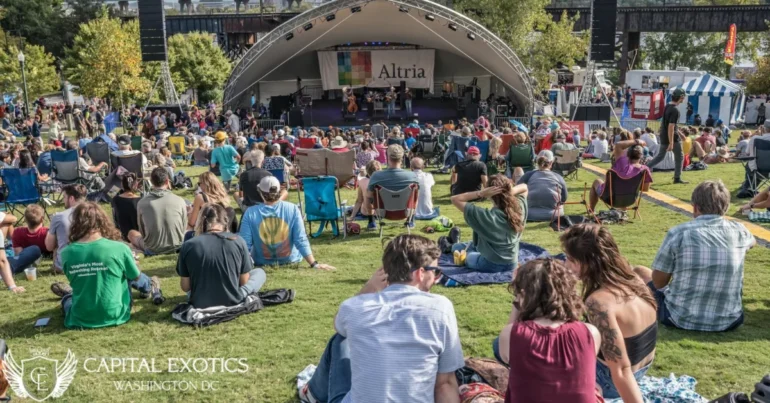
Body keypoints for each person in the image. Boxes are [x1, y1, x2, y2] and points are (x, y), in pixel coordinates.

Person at [300, 235, 464, 403]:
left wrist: (370, 287)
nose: (437, 279)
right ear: (420, 273)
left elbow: (338, 324)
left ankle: (311, 394)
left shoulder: (354, 308)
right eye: (436, 272)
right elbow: (444, 385)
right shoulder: (440, 308)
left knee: (340, 339)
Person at [635, 180, 755, 332]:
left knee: (639, 272)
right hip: (729, 319)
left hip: (679, 317)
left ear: (695, 207)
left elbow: (659, 283)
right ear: (726, 207)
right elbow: (753, 241)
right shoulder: (740, 231)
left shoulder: (679, 233)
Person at [561, 224, 657, 402]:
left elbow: (621, 370)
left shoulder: (599, 303)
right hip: (643, 369)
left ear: (590, 262)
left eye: (571, 260)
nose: (566, 265)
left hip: (609, 382)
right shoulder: (633, 279)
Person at [494, 258, 601, 403]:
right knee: (597, 388)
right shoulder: (590, 333)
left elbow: (506, 354)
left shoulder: (511, 335)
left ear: (523, 294)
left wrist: (517, 299)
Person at [49, 202, 163, 329]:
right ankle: (149, 286)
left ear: (75, 223)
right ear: (102, 221)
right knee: (126, 271)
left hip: (80, 317)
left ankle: (68, 294)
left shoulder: (66, 253)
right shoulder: (119, 248)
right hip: (116, 314)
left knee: (68, 300)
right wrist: (131, 263)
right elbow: (135, 276)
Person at [177, 204, 267, 309]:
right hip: (233, 299)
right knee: (259, 273)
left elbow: (185, 286)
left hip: (199, 301)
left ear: (201, 221)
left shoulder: (188, 245)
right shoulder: (238, 241)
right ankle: (239, 294)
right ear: (225, 222)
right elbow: (244, 282)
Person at [240, 176, 334, 269]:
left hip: (261, 261)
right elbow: (300, 239)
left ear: (260, 192)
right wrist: (313, 264)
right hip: (291, 259)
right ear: (278, 190)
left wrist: (241, 266)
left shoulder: (250, 212)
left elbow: (245, 244)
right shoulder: (292, 208)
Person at [450, 175, 528, 273]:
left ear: (489, 193)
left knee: (460, 251)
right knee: (459, 247)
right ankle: (455, 243)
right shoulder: (518, 209)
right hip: (513, 263)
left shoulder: (486, 216)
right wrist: (508, 192)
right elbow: (524, 187)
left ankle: (451, 244)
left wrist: (480, 193)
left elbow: (455, 199)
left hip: (490, 264)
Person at [128, 168, 187, 256]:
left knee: (131, 233)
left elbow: (142, 230)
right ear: (167, 181)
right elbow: (183, 226)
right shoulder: (179, 200)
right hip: (177, 246)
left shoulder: (142, 203)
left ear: (151, 181)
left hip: (153, 249)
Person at [589, 138, 653, 212]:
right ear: (641, 156)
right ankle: (623, 210)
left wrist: (637, 141)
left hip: (610, 198)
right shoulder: (644, 170)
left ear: (627, 154)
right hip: (630, 199)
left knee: (597, 181)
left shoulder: (621, 161)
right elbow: (645, 189)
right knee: (626, 186)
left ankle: (591, 210)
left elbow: (618, 145)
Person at [646, 88, 687, 184]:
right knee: (680, 157)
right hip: (672, 137)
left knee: (660, 157)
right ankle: (677, 178)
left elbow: (669, 125)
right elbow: (671, 127)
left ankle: (645, 168)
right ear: (681, 97)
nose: (684, 98)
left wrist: (679, 134)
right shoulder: (675, 110)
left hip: (664, 135)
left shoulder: (667, 106)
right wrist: (671, 142)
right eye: (683, 97)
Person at [516, 150, 567, 222]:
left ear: (537, 161)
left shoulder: (528, 175)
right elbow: (564, 198)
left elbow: (516, 193)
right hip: (554, 215)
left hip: (529, 214)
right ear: (551, 162)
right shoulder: (558, 177)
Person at [45, 184, 87, 273]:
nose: (63, 200)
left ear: (71, 198)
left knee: (56, 239)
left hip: (66, 267)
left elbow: (49, 247)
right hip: (90, 263)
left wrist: (52, 228)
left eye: (64, 197)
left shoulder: (58, 216)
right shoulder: (95, 214)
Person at [186, 172, 236, 240]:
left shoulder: (200, 197)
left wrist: (189, 213)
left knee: (188, 228)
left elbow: (192, 223)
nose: (199, 186)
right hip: (223, 232)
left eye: (199, 183)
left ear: (205, 184)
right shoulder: (224, 197)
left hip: (205, 232)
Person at [349, 160, 381, 230]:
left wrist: (351, 218)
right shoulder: (384, 181)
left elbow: (359, 201)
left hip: (366, 213)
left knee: (350, 208)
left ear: (367, 171)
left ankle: (371, 222)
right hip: (383, 212)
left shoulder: (362, 182)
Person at [111, 173, 141, 241]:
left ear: (122, 184)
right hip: (138, 235)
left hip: (123, 235)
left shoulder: (115, 199)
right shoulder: (140, 200)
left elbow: (115, 218)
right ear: (136, 184)